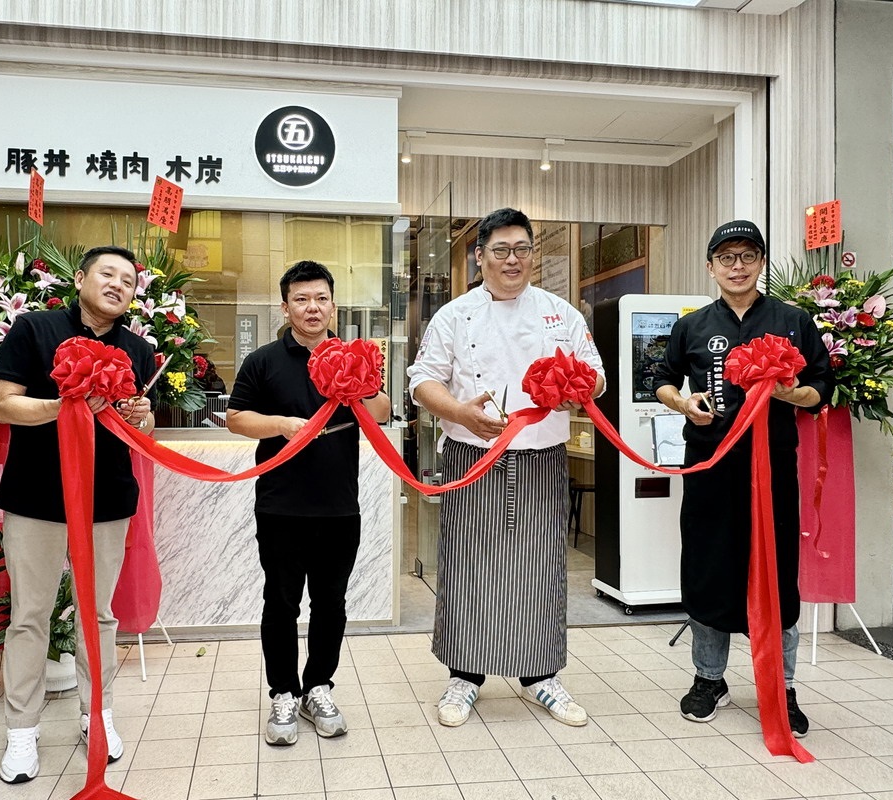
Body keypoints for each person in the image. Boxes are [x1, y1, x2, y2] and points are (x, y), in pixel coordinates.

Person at [407, 208, 606, 728]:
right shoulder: (453, 315)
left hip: (542, 457)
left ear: (532, 253)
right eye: (500, 250)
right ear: (480, 256)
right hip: (472, 457)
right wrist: (459, 412)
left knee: (541, 566)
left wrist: (577, 392)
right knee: (469, 563)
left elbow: (597, 376)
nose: (512, 259)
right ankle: (464, 676)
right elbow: (422, 381)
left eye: (522, 248)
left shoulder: (562, 314)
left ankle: (541, 676)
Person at [653, 220, 833, 738]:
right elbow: (662, 380)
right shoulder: (692, 325)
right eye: (726, 257)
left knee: (776, 574)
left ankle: (782, 686)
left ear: (761, 263)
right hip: (711, 468)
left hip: (773, 469)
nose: (737, 266)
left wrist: (787, 394)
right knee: (710, 571)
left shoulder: (793, 321)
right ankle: (709, 679)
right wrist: (684, 402)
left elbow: (822, 387)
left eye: (747, 255)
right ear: (710, 266)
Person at [0, 246, 157, 783]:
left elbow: (143, 428)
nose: (117, 285)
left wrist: (141, 413)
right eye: (107, 274)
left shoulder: (138, 349)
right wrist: (68, 406)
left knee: (99, 614)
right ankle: (22, 731)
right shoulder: (34, 330)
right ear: (81, 278)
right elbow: (4, 405)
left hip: (107, 499)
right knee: (30, 615)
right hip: (36, 497)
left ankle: (97, 715)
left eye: (128, 281)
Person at [226, 261, 391, 746]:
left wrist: (360, 389)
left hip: (340, 505)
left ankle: (318, 686)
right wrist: (281, 425)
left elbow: (380, 412)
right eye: (301, 299)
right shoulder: (263, 361)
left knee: (331, 604)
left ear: (333, 304)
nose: (312, 307)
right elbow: (236, 419)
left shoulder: (354, 358)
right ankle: (283, 692)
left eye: (320, 298)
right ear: (286, 306)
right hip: (279, 505)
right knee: (280, 604)